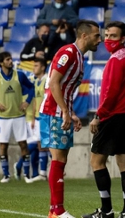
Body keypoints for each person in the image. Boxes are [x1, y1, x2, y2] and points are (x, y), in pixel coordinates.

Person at [40, 20, 101, 218]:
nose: (99, 40)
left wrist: (70, 112)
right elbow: (54, 82)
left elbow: (64, 88)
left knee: (61, 160)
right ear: (84, 36)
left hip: (61, 111)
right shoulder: (68, 53)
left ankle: (53, 210)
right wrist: (65, 111)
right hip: (53, 112)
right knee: (58, 159)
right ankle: (58, 210)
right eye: (97, 36)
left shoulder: (80, 57)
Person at [82, 21, 125, 218]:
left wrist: (98, 116)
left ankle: (106, 211)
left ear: (122, 39)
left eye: (113, 36)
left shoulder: (115, 60)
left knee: (97, 161)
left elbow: (110, 93)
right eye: (106, 35)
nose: (107, 39)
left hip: (113, 116)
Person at [0, 52, 35, 183]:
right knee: (3, 145)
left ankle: (26, 175)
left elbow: (31, 88)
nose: (11, 61)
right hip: (3, 118)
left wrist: (27, 101)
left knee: (23, 144)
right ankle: (6, 175)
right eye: (8, 59)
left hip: (19, 116)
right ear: (1, 63)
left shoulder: (19, 75)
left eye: (10, 59)